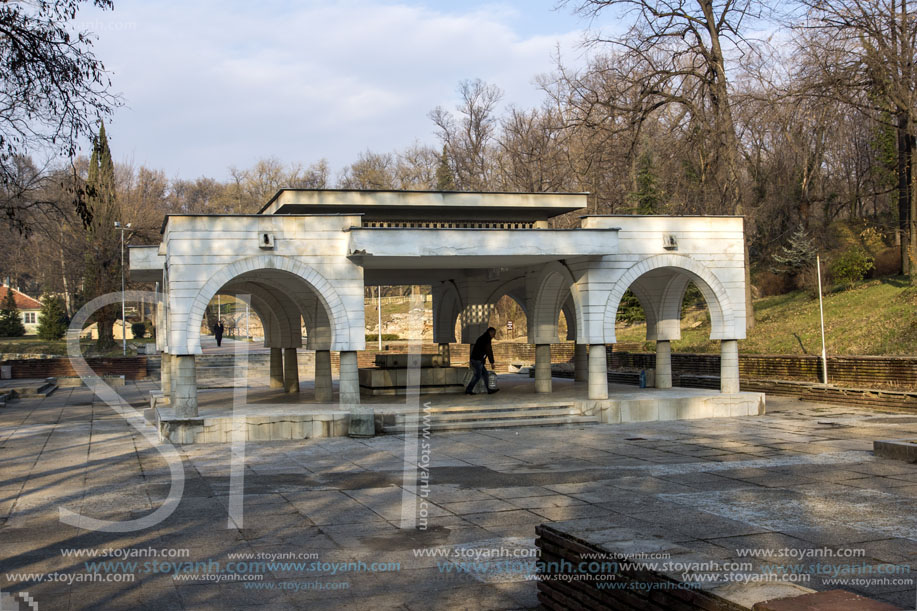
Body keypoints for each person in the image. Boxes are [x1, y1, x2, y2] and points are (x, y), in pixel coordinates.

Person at [466, 327, 498, 395]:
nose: (494, 336)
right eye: (493, 334)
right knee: (477, 376)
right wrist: (492, 363)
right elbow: (489, 351)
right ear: (490, 332)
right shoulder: (486, 339)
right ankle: (469, 389)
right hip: (477, 360)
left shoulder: (483, 337)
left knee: (485, 374)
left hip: (477, 359)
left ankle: (489, 390)